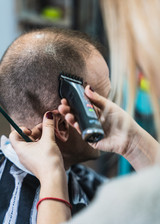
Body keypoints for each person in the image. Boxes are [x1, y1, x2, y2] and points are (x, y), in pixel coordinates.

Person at [8, 0, 160, 223]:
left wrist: (133, 143)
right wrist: (53, 176)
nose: (112, 108)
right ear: (61, 126)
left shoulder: (98, 190)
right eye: (102, 97)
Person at [0, 27, 111, 223]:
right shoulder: (16, 214)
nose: (114, 111)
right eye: (103, 102)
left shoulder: (78, 174)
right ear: (61, 126)